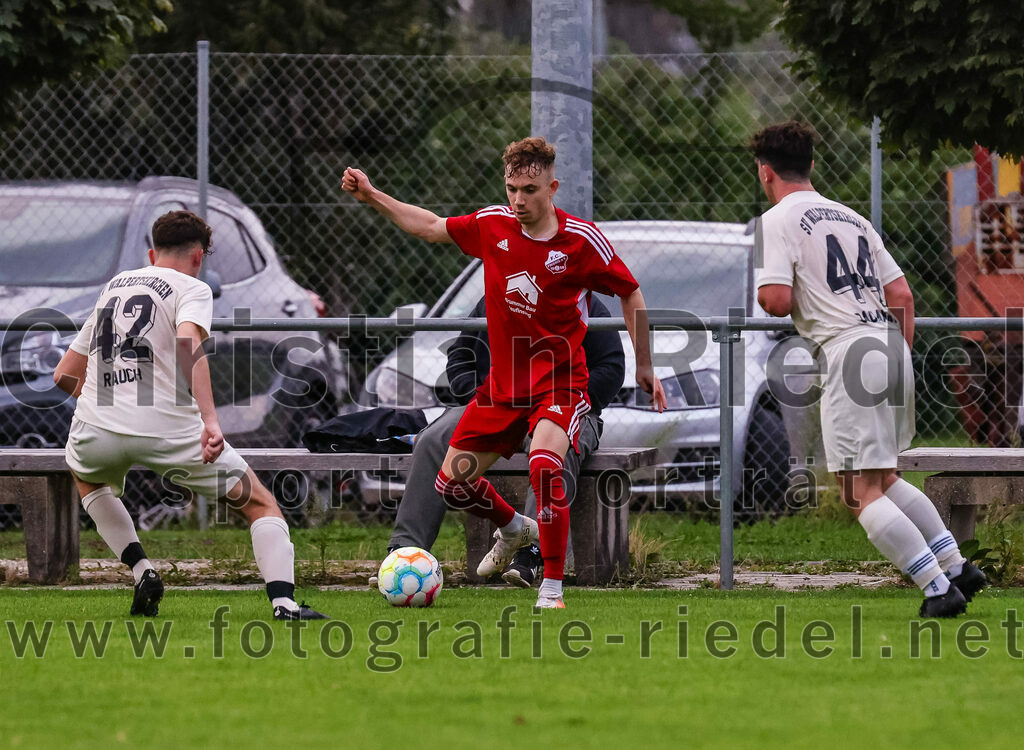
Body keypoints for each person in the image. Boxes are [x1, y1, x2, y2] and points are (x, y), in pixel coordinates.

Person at [343, 136, 666, 608]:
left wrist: (644, 365)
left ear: (552, 187)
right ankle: (515, 528)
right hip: (502, 391)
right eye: (512, 187)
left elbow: (630, 293)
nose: (518, 199)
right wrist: (372, 195)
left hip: (559, 383)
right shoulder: (493, 225)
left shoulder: (580, 240)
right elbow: (429, 225)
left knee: (545, 468)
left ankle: (551, 587)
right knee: (451, 483)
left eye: (530, 189)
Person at [753, 121, 986, 618]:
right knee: (883, 475)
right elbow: (901, 295)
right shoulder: (853, 217)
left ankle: (938, 588)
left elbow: (776, 300)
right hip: (888, 342)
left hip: (848, 349)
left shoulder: (776, 220)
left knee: (857, 491)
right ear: (812, 165)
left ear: (764, 172)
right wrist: (892, 356)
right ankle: (957, 565)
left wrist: (771, 294)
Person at [53, 210, 328, 620]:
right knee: (259, 503)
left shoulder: (113, 287)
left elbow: (63, 375)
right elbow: (187, 346)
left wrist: (98, 402)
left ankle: (142, 569)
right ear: (199, 256)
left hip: (98, 428)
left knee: (88, 481)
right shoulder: (193, 287)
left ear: (151, 252)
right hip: (170, 430)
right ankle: (284, 603)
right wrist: (212, 423)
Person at [381, 293, 625, 587]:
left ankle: (531, 555)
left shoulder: (582, 302)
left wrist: (565, 403)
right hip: (495, 406)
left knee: (550, 452)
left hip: (564, 407)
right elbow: (460, 358)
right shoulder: (496, 298)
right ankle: (406, 553)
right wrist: (481, 404)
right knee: (433, 439)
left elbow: (611, 369)